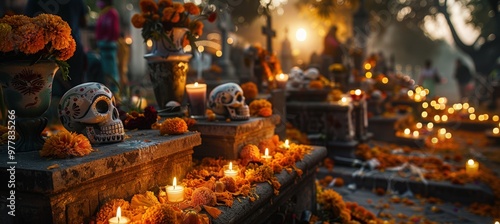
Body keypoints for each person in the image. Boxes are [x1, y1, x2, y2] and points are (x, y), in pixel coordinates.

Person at [25, 0, 88, 96]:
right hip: (71, 48)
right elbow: (83, 22)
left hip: (43, 52)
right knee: (74, 94)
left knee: (40, 94)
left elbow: (27, 20)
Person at [95, 0, 120, 93]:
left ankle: (115, 93)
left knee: (111, 72)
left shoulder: (112, 13)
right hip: (102, 46)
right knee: (105, 72)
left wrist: (106, 40)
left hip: (109, 46)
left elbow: (114, 31)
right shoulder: (103, 13)